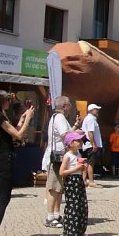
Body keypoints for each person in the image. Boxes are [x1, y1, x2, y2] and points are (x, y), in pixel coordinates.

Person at [0, 90, 34, 236]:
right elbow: (18, 135)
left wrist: (23, 118)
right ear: (0, 100)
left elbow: (12, 133)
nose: (9, 101)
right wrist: (29, 121)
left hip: (1, 158)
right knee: (3, 198)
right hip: (5, 159)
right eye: (7, 99)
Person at [41, 96, 81, 228]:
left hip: (60, 155)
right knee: (54, 187)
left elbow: (67, 133)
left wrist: (75, 128)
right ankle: (50, 217)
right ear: (65, 106)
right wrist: (77, 134)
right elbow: (66, 136)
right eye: (69, 104)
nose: (70, 107)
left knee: (59, 188)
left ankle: (57, 215)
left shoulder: (59, 118)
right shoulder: (59, 117)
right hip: (56, 156)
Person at [60, 132, 90, 236]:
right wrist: (76, 168)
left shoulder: (78, 154)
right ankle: (70, 233)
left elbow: (79, 169)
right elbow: (62, 172)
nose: (81, 142)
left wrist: (83, 170)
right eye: (78, 141)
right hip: (71, 181)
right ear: (71, 143)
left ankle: (80, 232)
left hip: (78, 181)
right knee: (73, 206)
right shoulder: (67, 156)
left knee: (81, 206)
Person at [81, 103, 103, 187]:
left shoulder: (88, 118)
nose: (97, 111)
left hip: (87, 144)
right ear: (91, 110)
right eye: (96, 109)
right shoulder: (91, 119)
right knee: (91, 163)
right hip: (90, 144)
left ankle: (84, 180)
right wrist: (94, 143)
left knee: (86, 162)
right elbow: (90, 132)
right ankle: (91, 181)